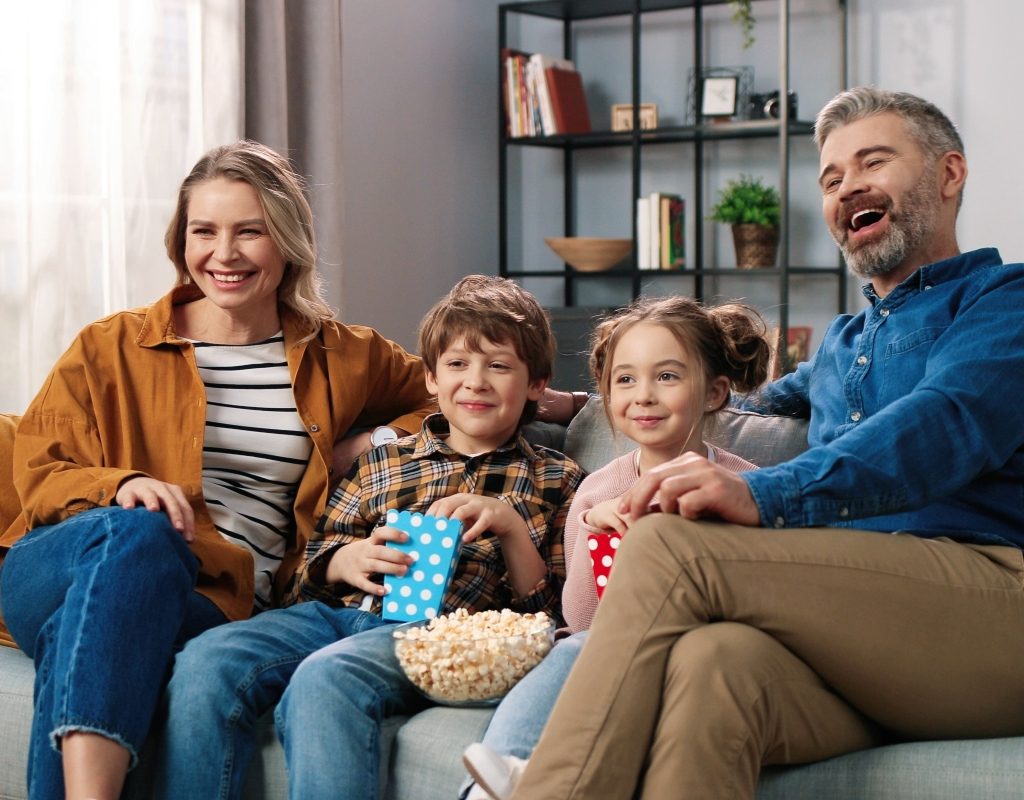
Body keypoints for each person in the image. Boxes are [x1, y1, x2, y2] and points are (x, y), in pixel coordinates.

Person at [505, 86, 1024, 800]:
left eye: (873, 162)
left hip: (991, 611)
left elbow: (945, 423)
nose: (849, 188)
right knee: (715, 665)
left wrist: (760, 491)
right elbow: (727, 396)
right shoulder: (844, 345)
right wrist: (571, 404)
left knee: (664, 544)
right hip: (864, 633)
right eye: (832, 178)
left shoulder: (1005, 301)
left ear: (949, 173)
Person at [0, 140, 435, 800]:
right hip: (58, 564)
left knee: (84, 631)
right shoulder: (111, 345)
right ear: (182, 242)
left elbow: (442, 395)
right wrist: (117, 485)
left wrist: (373, 435)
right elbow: (37, 470)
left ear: (286, 241)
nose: (223, 254)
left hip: (210, 601)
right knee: (139, 533)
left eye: (249, 232)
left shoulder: (341, 357)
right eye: (204, 231)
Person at [153, 274, 585, 800]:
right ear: (430, 377)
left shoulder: (555, 478)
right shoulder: (382, 461)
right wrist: (345, 560)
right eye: (457, 364)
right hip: (334, 615)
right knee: (204, 661)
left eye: (498, 365)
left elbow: (555, 617)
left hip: (439, 632)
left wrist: (511, 529)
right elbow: (306, 573)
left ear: (537, 384)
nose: (476, 381)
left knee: (325, 679)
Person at [461, 295, 772, 800]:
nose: (643, 396)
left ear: (715, 392)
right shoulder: (597, 492)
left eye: (667, 377)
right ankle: (503, 780)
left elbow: (768, 599)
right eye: (625, 380)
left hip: (700, 657)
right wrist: (593, 532)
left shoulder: (746, 486)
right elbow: (581, 617)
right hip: (611, 656)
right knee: (570, 648)